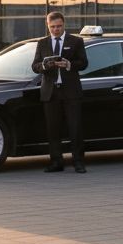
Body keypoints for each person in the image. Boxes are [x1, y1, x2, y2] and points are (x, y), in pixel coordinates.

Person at [31, 11, 89, 173]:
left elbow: (84, 63)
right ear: (48, 26)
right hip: (50, 92)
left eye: (59, 26)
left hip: (71, 92)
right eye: (53, 27)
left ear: (64, 25)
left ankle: (78, 162)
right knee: (53, 129)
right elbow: (34, 66)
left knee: (75, 128)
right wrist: (45, 66)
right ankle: (57, 162)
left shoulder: (76, 41)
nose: (56, 29)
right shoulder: (42, 43)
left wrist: (69, 64)